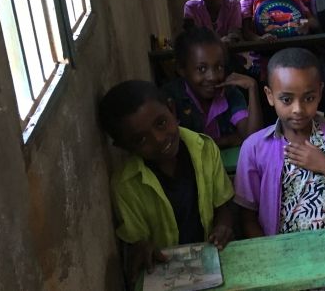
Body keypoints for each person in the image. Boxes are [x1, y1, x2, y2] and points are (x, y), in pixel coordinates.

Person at [234, 48, 325, 291]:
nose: (298, 109)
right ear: (269, 95)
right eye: (286, 99)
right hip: (287, 258)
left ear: (320, 93)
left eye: (308, 98)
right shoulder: (254, 148)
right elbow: (247, 216)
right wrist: (274, 260)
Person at [100, 80, 234, 287]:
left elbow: (223, 205)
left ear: (172, 109)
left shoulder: (205, 148)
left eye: (161, 123)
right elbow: (137, 242)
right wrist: (143, 248)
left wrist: (223, 225)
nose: (159, 139)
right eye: (141, 140)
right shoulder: (125, 184)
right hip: (167, 275)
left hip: (213, 261)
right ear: (124, 146)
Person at [162, 28, 262, 148]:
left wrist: (252, 87)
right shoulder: (171, 98)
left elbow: (253, 140)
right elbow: (177, 148)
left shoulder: (229, 93)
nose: (212, 77)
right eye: (202, 69)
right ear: (182, 70)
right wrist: (228, 140)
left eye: (219, 67)